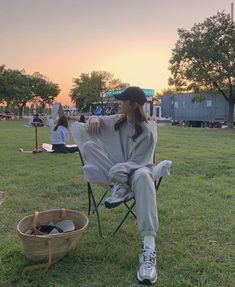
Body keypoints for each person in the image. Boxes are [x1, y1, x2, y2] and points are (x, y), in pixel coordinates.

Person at [81, 87, 158, 284]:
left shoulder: (146, 132)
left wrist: (117, 171)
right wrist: (94, 119)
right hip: (116, 178)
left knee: (142, 176)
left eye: (123, 101)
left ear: (133, 104)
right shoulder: (118, 120)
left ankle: (148, 248)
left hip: (136, 173)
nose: (119, 103)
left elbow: (137, 164)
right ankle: (119, 188)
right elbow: (90, 122)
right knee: (89, 147)